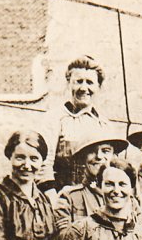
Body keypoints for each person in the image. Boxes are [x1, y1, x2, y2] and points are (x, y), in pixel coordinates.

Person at [40, 55, 110, 196]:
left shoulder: (104, 124)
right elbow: (44, 164)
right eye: (78, 82)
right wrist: (53, 199)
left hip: (95, 198)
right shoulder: (54, 118)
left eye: (89, 82)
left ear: (98, 87)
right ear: (68, 84)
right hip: (61, 197)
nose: (83, 88)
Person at [53, 128, 129, 231]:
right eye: (92, 151)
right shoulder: (69, 197)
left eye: (105, 151)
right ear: (83, 157)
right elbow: (63, 237)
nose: (99, 156)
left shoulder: (126, 198)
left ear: (114, 156)